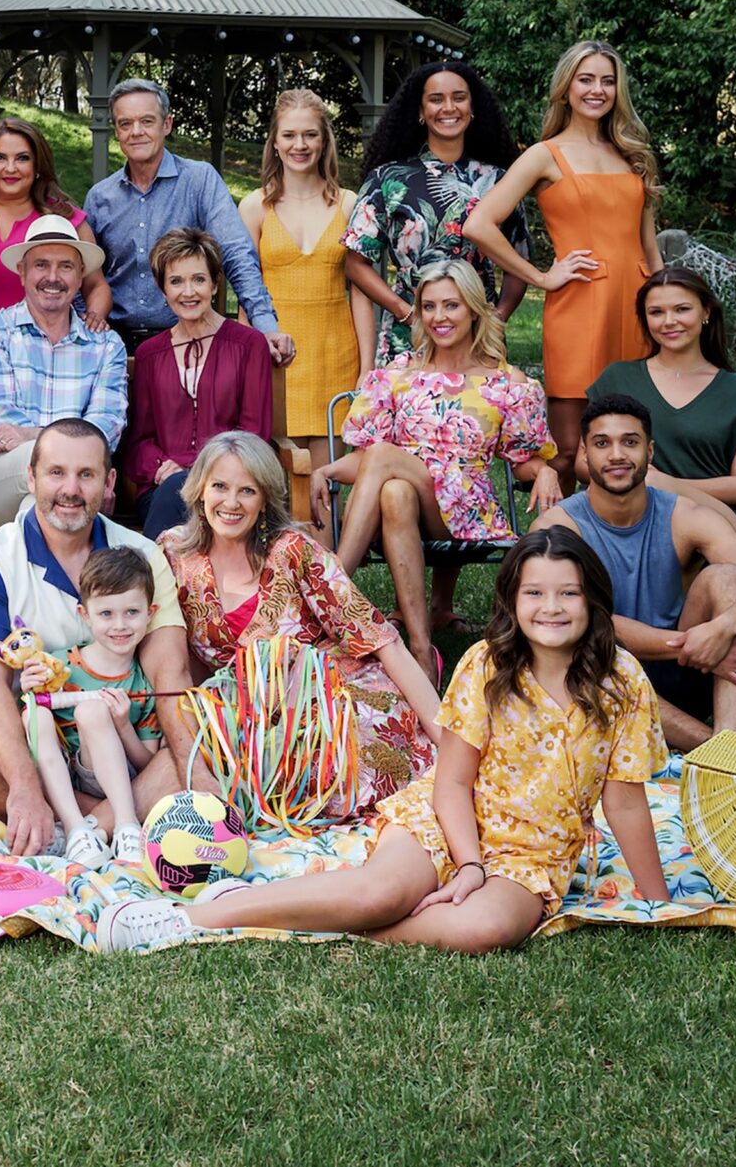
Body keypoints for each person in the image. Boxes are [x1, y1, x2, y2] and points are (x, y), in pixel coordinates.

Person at [98, 529, 670, 954]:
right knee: (383, 891)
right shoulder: (487, 667)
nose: (551, 608)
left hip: (531, 854)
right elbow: (451, 781)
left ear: (593, 600)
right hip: (452, 816)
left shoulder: (622, 684)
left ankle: (325, 922)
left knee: (484, 929)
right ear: (513, 602)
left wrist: (659, 899)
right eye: (535, 594)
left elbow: (623, 801)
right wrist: (468, 863)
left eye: (567, 594)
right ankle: (196, 918)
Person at [0, 418, 197, 856]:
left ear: (108, 482)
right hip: (29, 743)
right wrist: (24, 783)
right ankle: (117, 821)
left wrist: (190, 769)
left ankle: (83, 829)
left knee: (199, 740)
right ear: (30, 478)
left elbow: (171, 676)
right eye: (56, 473)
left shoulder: (142, 555)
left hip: (121, 748)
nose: (70, 489)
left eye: (85, 474)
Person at [161, 433, 440, 818]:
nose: (230, 503)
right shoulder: (174, 554)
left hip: (333, 693)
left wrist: (448, 739)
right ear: (199, 491)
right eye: (220, 487)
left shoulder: (293, 550)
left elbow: (382, 640)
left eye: (247, 491)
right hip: (245, 714)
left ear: (263, 502)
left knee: (337, 765)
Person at [320, 260, 561, 666]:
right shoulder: (398, 374)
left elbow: (523, 459)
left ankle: (332, 589)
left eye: (451, 305)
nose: (439, 317)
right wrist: (325, 472)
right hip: (407, 502)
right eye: (429, 306)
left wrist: (547, 468)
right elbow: (365, 463)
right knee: (394, 491)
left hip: (465, 510)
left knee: (384, 459)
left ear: (472, 309)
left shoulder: (506, 382)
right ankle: (420, 647)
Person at [540, 395, 736, 752]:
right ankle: (720, 752)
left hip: (686, 671)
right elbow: (586, 624)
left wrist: (723, 629)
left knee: (727, 578)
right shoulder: (559, 527)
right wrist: (692, 645)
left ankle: (729, 735)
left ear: (650, 451)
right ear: (584, 454)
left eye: (630, 442)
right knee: (574, 648)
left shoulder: (684, 515)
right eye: (601, 443)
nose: (616, 455)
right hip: (598, 672)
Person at [465, 39, 662, 473]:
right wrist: (541, 277)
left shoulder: (633, 154)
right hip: (581, 304)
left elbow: (649, 245)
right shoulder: (544, 154)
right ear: (566, 88)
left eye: (607, 81)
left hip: (637, 304)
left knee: (633, 442)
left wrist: (666, 308)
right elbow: (479, 225)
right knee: (570, 450)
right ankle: (556, 539)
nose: (597, 90)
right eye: (586, 79)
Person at [82, 78, 289, 363]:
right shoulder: (99, 197)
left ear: (167, 124)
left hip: (189, 344)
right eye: (125, 123)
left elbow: (236, 254)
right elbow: (84, 276)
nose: (136, 132)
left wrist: (265, 324)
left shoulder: (199, 180)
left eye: (147, 121)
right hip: (115, 348)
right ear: (116, 130)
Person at [342, 59, 526, 372]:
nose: (448, 107)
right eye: (436, 99)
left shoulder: (500, 181)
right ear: (420, 111)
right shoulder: (387, 179)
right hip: (407, 338)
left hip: (479, 341)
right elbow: (355, 263)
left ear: (473, 107)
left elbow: (519, 264)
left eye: (459, 97)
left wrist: (496, 320)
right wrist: (405, 312)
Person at [0, 215, 129, 531]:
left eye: (65, 266)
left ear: (80, 276)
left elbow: (107, 426)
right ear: (22, 272)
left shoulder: (105, 345)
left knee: (39, 506)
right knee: (45, 472)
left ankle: (34, 579)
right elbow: (0, 424)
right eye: (41, 265)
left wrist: (32, 433)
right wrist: (64, 450)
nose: (53, 277)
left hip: (67, 489)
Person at [8, 546, 165, 866]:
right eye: (106, 614)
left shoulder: (143, 683)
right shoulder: (59, 665)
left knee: (91, 711)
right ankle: (76, 830)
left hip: (114, 777)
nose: (119, 625)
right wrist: (27, 692)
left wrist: (122, 726)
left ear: (150, 613)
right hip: (59, 774)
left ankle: (126, 826)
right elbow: (27, 718)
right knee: (35, 713)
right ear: (85, 615)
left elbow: (149, 764)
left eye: (131, 613)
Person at [586, 267, 736, 539]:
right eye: (656, 312)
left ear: (706, 312)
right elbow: (582, 461)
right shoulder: (618, 378)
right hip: (625, 507)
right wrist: (631, 480)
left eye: (682, 309)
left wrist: (667, 485)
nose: (669, 321)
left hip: (716, 515)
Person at [122, 229, 274, 536]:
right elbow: (138, 443)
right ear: (162, 289)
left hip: (232, 487)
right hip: (162, 487)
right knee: (175, 492)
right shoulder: (150, 354)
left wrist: (195, 473)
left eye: (199, 280)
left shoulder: (249, 345)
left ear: (215, 284)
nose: (188, 292)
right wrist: (162, 468)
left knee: (183, 489)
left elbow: (253, 434)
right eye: (176, 281)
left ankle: (150, 578)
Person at [240, 89, 362, 452]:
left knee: (327, 493)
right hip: (276, 360)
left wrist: (367, 369)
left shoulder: (349, 204)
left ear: (324, 141)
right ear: (274, 142)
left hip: (336, 356)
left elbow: (360, 291)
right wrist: (249, 364)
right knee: (278, 488)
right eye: (289, 135)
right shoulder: (254, 207)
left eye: (310, 134)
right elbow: (247, 292)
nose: (300, 144)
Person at [0, 117, 108, 328]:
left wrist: (94, 318)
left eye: (22, 158)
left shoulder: (67, 222)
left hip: (47, 350)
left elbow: (97, 286)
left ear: (38, 165)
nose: (10, 168)